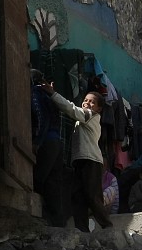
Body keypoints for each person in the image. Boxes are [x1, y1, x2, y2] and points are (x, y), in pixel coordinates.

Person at [40, 81, 112, 231]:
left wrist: (53, 94)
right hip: (80, 160)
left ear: (99, 109)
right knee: (78, 196)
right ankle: (82, 229)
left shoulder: (91, 116)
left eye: (92, 102)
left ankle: (107, 226)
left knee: (92, 195)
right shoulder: (84, 119)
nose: (88, 103)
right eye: (86, 100)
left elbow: (71, 109)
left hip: (90, 161)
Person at [31, 70, 66, 226]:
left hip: (47, 142)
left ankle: (38, 217)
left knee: (38, 179)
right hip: (57, 143)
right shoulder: (50, 96)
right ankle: (57, 222)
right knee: (53, 183)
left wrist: (37, 141)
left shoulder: (35, 94)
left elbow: (41, 119)